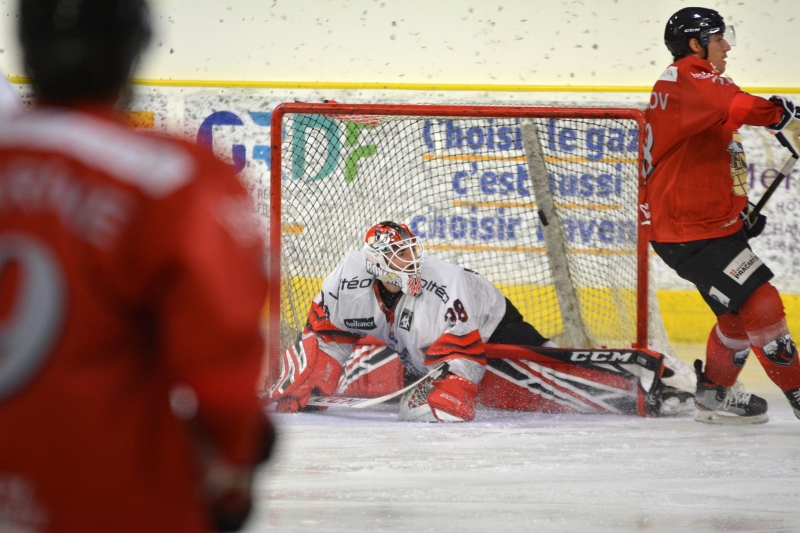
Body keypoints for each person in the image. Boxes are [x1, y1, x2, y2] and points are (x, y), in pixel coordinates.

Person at [0, 1, 274, 532]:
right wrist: (235, 454)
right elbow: (220, 363)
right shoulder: (165, 177)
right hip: (114, 501)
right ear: (132, 49)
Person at [268, 221, 694, 422]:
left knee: (539, 362)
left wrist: (450, 394)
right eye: (399, 256)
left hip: (490, 318)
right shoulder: (346, 282)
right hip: (419, 342)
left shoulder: (445, 283)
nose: (411, 261)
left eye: (412, 251)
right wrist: (308, 379)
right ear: (376, 263)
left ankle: (639, 385)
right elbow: (325, 334)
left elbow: (466, 355)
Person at [644, 7, 800, 424]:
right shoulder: (689, 74)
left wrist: (737, 208)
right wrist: (784, 117)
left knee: (735, 318)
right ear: (696, 44)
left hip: (699, 225)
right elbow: (745, 106)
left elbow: (718, 135)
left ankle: (713, 397)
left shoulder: (692, 86)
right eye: (718, 38)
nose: (727, 46)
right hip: (689, 231)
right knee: (762, 304)